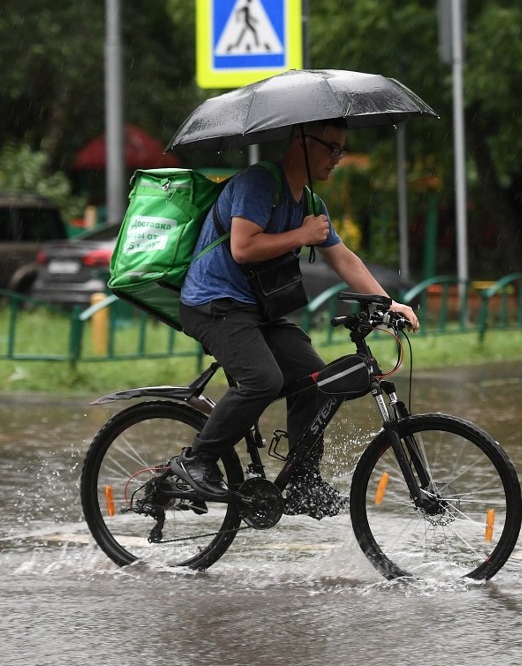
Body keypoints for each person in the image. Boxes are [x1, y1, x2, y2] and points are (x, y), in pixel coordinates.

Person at [170, 118, 419, 519]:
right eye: (332, 147)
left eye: (342, 149)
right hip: (213, 302)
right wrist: (302, 236)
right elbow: (243, 247)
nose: (338, 158)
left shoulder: (309, 204)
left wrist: (388, 304)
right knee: (262, 380)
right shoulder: (258, 184)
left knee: (318, 382)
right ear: (302, 141)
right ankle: (196, 460)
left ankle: (303, 483)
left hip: (257, 310)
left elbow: (343, 258)